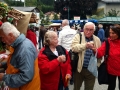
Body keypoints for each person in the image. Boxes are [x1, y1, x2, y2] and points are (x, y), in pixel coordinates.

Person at [0, 22, 40, 90]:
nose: (2, 40)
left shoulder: (24, 49)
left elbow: (26, 77)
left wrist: (4, 77)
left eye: (3, 37)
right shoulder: (18, 45)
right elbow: (15, 62)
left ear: (10, 35)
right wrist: (2, 64)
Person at [71, 22, 101, 90]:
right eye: (87, 29)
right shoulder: (78, 36)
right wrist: (85, 46)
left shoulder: (97, 39)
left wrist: (95, 51)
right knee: (76, 88)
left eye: (91, 30)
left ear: (94, 30)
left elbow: (99, 54)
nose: (88, 32)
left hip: (91, 69)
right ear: (83, 29)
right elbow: (74, 48)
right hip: (79, 69)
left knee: (89, 88)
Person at [92, 25, 120, 90]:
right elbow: (99, 53)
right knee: (111, 86)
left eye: (113, 33)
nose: (111, 35)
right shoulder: (108, 42)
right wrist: (94, 50)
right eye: (110, 33)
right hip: (111, 69)